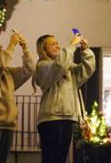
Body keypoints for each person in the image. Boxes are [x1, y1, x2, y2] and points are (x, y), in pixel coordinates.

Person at [33, 32, 96, 163]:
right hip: (51, 119)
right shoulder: (42, 66)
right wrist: (72, 45)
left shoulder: (67, 67)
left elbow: (86, 70)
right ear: (44, 49)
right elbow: (59, 66)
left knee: (61, 159)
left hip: (67, 118)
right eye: (53, 44)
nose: (57, 46)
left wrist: (85, 51)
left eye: (57, 43)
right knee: (51, 158)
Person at [0, 31, 35, 163]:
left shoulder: (8, 72)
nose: (0, 49)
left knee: (1, 160)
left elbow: (29, 69)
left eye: (1, 47)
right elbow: (0, 65)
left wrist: (25, 49)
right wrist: (11, 45)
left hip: (8, 123)